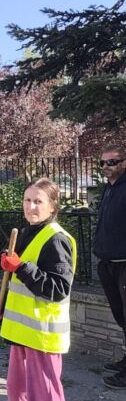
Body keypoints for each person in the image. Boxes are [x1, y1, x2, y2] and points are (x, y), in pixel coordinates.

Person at [0, 178, 76, 401]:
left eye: (38, 201)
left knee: (44, 398)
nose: (31, 206)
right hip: (22, 332)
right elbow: (15, 283)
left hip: (42, 335)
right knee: (17, 391)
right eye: (27, 200)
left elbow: (58, 289)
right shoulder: (26, 234)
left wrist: (21, 267)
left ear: (52, 206)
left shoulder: (56, 239)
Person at [92, 146, 126, 388]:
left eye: (111, 162)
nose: (105, 167)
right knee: (121, 317)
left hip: (124, 263)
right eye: (102, 163)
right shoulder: (110, 188)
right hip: (108, 263)